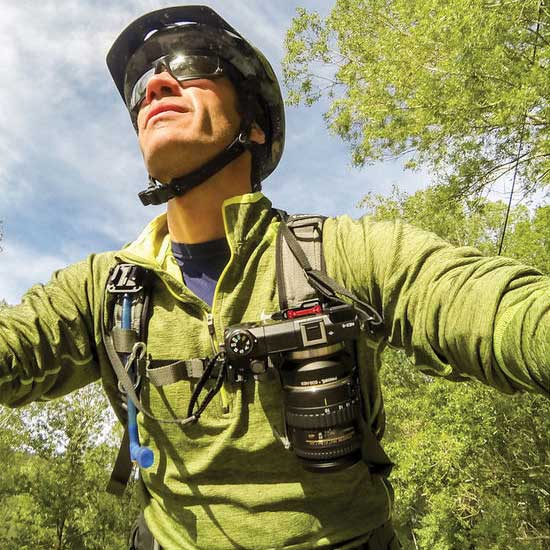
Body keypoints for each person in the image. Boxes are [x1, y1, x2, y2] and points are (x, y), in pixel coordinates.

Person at [0, 5, 548, 550]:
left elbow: (488, 307)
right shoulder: (104, 288)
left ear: (255, 126)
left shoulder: (335, 255)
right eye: (141, 86)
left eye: (193, 65)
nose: (156, 88)